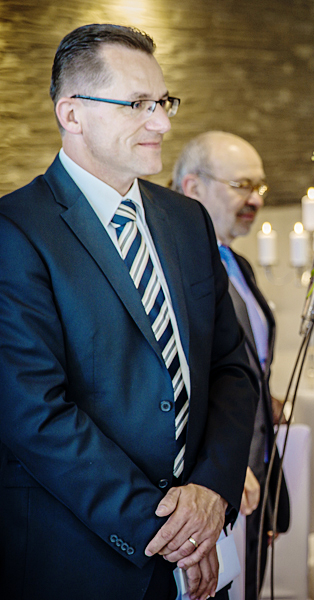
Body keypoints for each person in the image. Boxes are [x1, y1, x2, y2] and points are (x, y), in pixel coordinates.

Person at [0, 25, 259, 600]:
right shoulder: (15, 231)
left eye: (163, 102)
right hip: (79, 556)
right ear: (73, 114)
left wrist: (212, 493)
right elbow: (35, 415)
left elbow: (232, 369)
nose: (162, 123)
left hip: (200, 536)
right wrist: (168, 530)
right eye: (138, 104)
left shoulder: (188, 221)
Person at [172, 131, 291, 600]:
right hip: (219, 473)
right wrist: (223, 462)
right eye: (242, 185)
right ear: (192, 186)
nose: (256, 199)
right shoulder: (177, 267)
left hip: (258, 459)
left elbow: (244, 364)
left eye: (259, 187)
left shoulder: (240, 264)